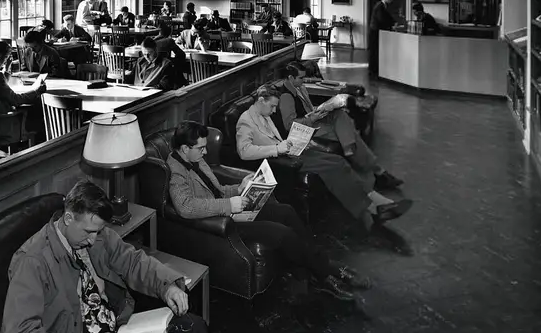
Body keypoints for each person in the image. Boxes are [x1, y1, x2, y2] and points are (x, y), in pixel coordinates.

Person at [0, 180, 235, 333]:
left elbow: (132, 261)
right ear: (68, 218)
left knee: (192, 328)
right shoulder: (33, 262)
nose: (93, 240)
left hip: (119, 331)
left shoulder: (96, 234)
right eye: (88, 232)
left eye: (98, 231)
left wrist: (167, 285)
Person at [167, 121, 370, 300]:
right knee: (283, 234)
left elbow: (216, 190)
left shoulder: (195, 159)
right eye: (201, 148)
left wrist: (238, 188)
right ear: (185, 148)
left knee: (287, 211)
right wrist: (228, 205)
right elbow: (186, 207)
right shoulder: (176, 172)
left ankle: (317, 268)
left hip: (231, 210)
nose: (205, 152)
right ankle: (327, 272)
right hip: (221, 222)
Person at [236, 85, 412, 230]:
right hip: (280, 162)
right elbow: (244, 152)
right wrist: (276, 149)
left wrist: (297, 142)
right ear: (261, 101)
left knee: (339, 161)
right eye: (272, 106)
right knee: (333, 168)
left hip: (289, 152)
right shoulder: (246, 121)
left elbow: (278, 136)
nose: (275, 111)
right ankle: (374, 208)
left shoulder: (264, 115)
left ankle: (377, 201)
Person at [276, 63, 403, 191]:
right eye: (301, 78)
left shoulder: (300, 88)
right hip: (306, 130)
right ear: (291, 78)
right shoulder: (286, 96)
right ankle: (377, 171)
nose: (304, 81)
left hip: (314, 120)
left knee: (339, 113)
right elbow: (289, 125)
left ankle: (355, 153)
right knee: (350, 135)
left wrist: (320, 109)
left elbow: (307, 109)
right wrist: (312, 118)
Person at [0, 40, 46, 143]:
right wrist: (36, 91)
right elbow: (15, 100)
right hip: (1, 126)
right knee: (38, 113)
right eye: (5, 58)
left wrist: (6, 68)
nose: (5, 61)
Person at [369, 0, 396, 76]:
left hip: (375, 30)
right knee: (374, 50)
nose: (391, 2)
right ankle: (373, 69)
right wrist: (391, 25)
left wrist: (393, 22)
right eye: (391, 0)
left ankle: (374, 68)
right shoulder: (380, 6)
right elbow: (382, 19)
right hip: (375, 30)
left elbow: (386, 16)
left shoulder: (381, 5)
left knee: (376, 49)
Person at [155, 22, 187, 87]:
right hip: (166, 69)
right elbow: (181, 54)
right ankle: (181, 82)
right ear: (169, 33)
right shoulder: (169, 41)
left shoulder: (152, 41)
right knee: (175, 65)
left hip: (153, 69)